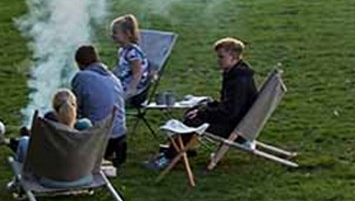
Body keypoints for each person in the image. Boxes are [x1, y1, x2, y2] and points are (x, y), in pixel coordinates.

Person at [150, 37, 256, 169]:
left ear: (233, 57)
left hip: (234, 128)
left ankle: (169, 157)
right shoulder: (236, 73)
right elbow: (228, 105)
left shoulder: (239, 80)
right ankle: (181, 148)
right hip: (236, 122)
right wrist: (205, 107)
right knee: (194, 112)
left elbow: (229, 112)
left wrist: (203, 112)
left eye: (221, 57)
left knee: (193, 119)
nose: (218, 61)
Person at [71, 44, 128, 168]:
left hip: (99, 137)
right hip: (119, 134)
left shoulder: (82, 77)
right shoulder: (113, 77)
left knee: (70, 121)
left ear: (79, 63)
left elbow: (74, 108)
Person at [11, 89, 92, 165]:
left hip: (48, 178)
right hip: (82, 177)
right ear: (75, 108)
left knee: (24, 141)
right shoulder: (86, 131)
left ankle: (21, 174)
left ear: (55, 111)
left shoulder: (48, 128)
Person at [111, 15, 150, 102]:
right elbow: (121, 68)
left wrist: (131, 90)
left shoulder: (133, 52)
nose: (112, 35)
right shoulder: (122, 50)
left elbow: (137, 73)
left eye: (115, 33)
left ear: (127, 33)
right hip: (122, 83)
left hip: (134, 90)